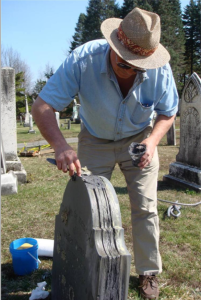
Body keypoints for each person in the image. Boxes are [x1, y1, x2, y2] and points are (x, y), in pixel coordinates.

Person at [32, 7, 179, 300]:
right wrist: (61, 146)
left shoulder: (158, 68)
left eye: (142, 67)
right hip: (95, 139)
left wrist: (151, 142)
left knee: (146, 208)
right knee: (86, 209)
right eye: (128, 65)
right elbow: (42, 106)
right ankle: (85, 265)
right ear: (114, 46)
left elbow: (168, 112)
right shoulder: (83, 59)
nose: (136, 71)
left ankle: (148, 272)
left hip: (139, 140)